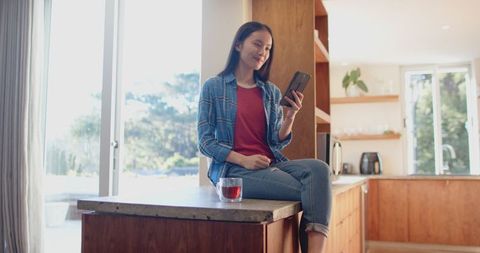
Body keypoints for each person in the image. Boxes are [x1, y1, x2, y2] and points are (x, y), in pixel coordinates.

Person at [197, 21, 332, 253]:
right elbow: (205, 141)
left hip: (271, 164)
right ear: (239, 44)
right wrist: (243, 159)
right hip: (235, 172)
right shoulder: (214, 87)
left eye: (268, 48)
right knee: (315, 189)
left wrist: (290, 117)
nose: (263, 52)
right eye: (257, 44)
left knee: (320, 170)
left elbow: (276, 141)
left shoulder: (270, 91)